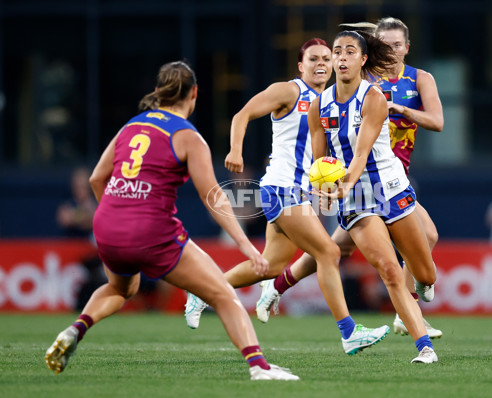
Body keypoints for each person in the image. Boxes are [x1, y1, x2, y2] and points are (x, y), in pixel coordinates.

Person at [44, 61, 299, 381]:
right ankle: (260, 367)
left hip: (108, 225)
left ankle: (74, 330)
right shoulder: (189, 137)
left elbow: (98, 178)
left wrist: (116, 213)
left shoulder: (131, 126)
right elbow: (214, 198)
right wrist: (246, 245)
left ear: (158, 92)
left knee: (120, 288)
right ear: (194, 93)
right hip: (151, 231)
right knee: (222, 294)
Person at [185, 39, 390, 356]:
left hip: (297, 191)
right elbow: (242, 115)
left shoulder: (329, 101)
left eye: (326, 58)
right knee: (329, 252)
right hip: (282, 188)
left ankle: (201, 292)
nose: (322, 63)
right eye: (313, 59)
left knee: (269, 267)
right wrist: (235, 151)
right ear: (300, 65)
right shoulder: (289, 91)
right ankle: (349, 332)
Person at [256, 17, 443, 339]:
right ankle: (408, 311)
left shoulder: (418, 79)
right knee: (344, 251)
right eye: (386, 43)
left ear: (407, 48)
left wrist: (401, 110)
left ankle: (276, 287)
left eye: (398, 45)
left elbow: (437, 122)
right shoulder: (361, 80)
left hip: (392, 177)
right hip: (358, 180)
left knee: (337, 249)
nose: (393, 49)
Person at [56, 166, 97, 238]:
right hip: (72, 244)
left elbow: (94, 221)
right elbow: (64, 219)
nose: (79, 190)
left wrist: (74, 216)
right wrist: (84, 216)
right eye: (77, 187)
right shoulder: (68, 204)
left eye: (83, 187)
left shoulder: (97, 204)